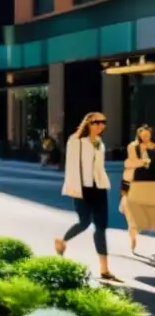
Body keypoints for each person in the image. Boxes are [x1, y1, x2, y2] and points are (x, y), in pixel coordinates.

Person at [56, 112, 118, 281]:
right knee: (84, 222)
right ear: (88, 123)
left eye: (103, 122)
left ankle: (104, 269)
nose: (100, 125)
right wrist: (74, 188)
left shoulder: (99, 142)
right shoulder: (76, 141)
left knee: (101, 227)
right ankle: (62, 241)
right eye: (96, 122)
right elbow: (71, 167)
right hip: (82, 189)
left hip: (99, 188)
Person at [122, 124, 155, 254]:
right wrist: (144, 161)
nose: (146, 137)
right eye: (143, 135)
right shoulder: (133, 147)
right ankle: (133, 237)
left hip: (151, 183)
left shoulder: (154, 147)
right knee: (133, 214)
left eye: (148, 135)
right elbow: (131, 163)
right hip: (136, 183)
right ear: (139, 135)